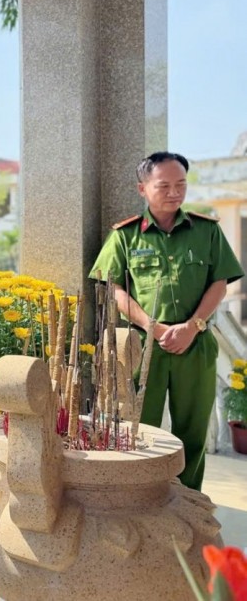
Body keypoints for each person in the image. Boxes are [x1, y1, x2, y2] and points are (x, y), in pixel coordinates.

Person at [90, 151, 243, 491]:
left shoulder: (207, 231)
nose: (174, 192)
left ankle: (188, 500)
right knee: (138, 427)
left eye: (181, 184)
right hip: (144, 347)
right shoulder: (125, 236)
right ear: (142, 188)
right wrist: (155, 328)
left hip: (196, 342)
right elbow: (114, 289)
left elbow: (220, 281)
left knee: (192, 430)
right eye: (164, 185)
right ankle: (141, 497)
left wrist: (192, 327)